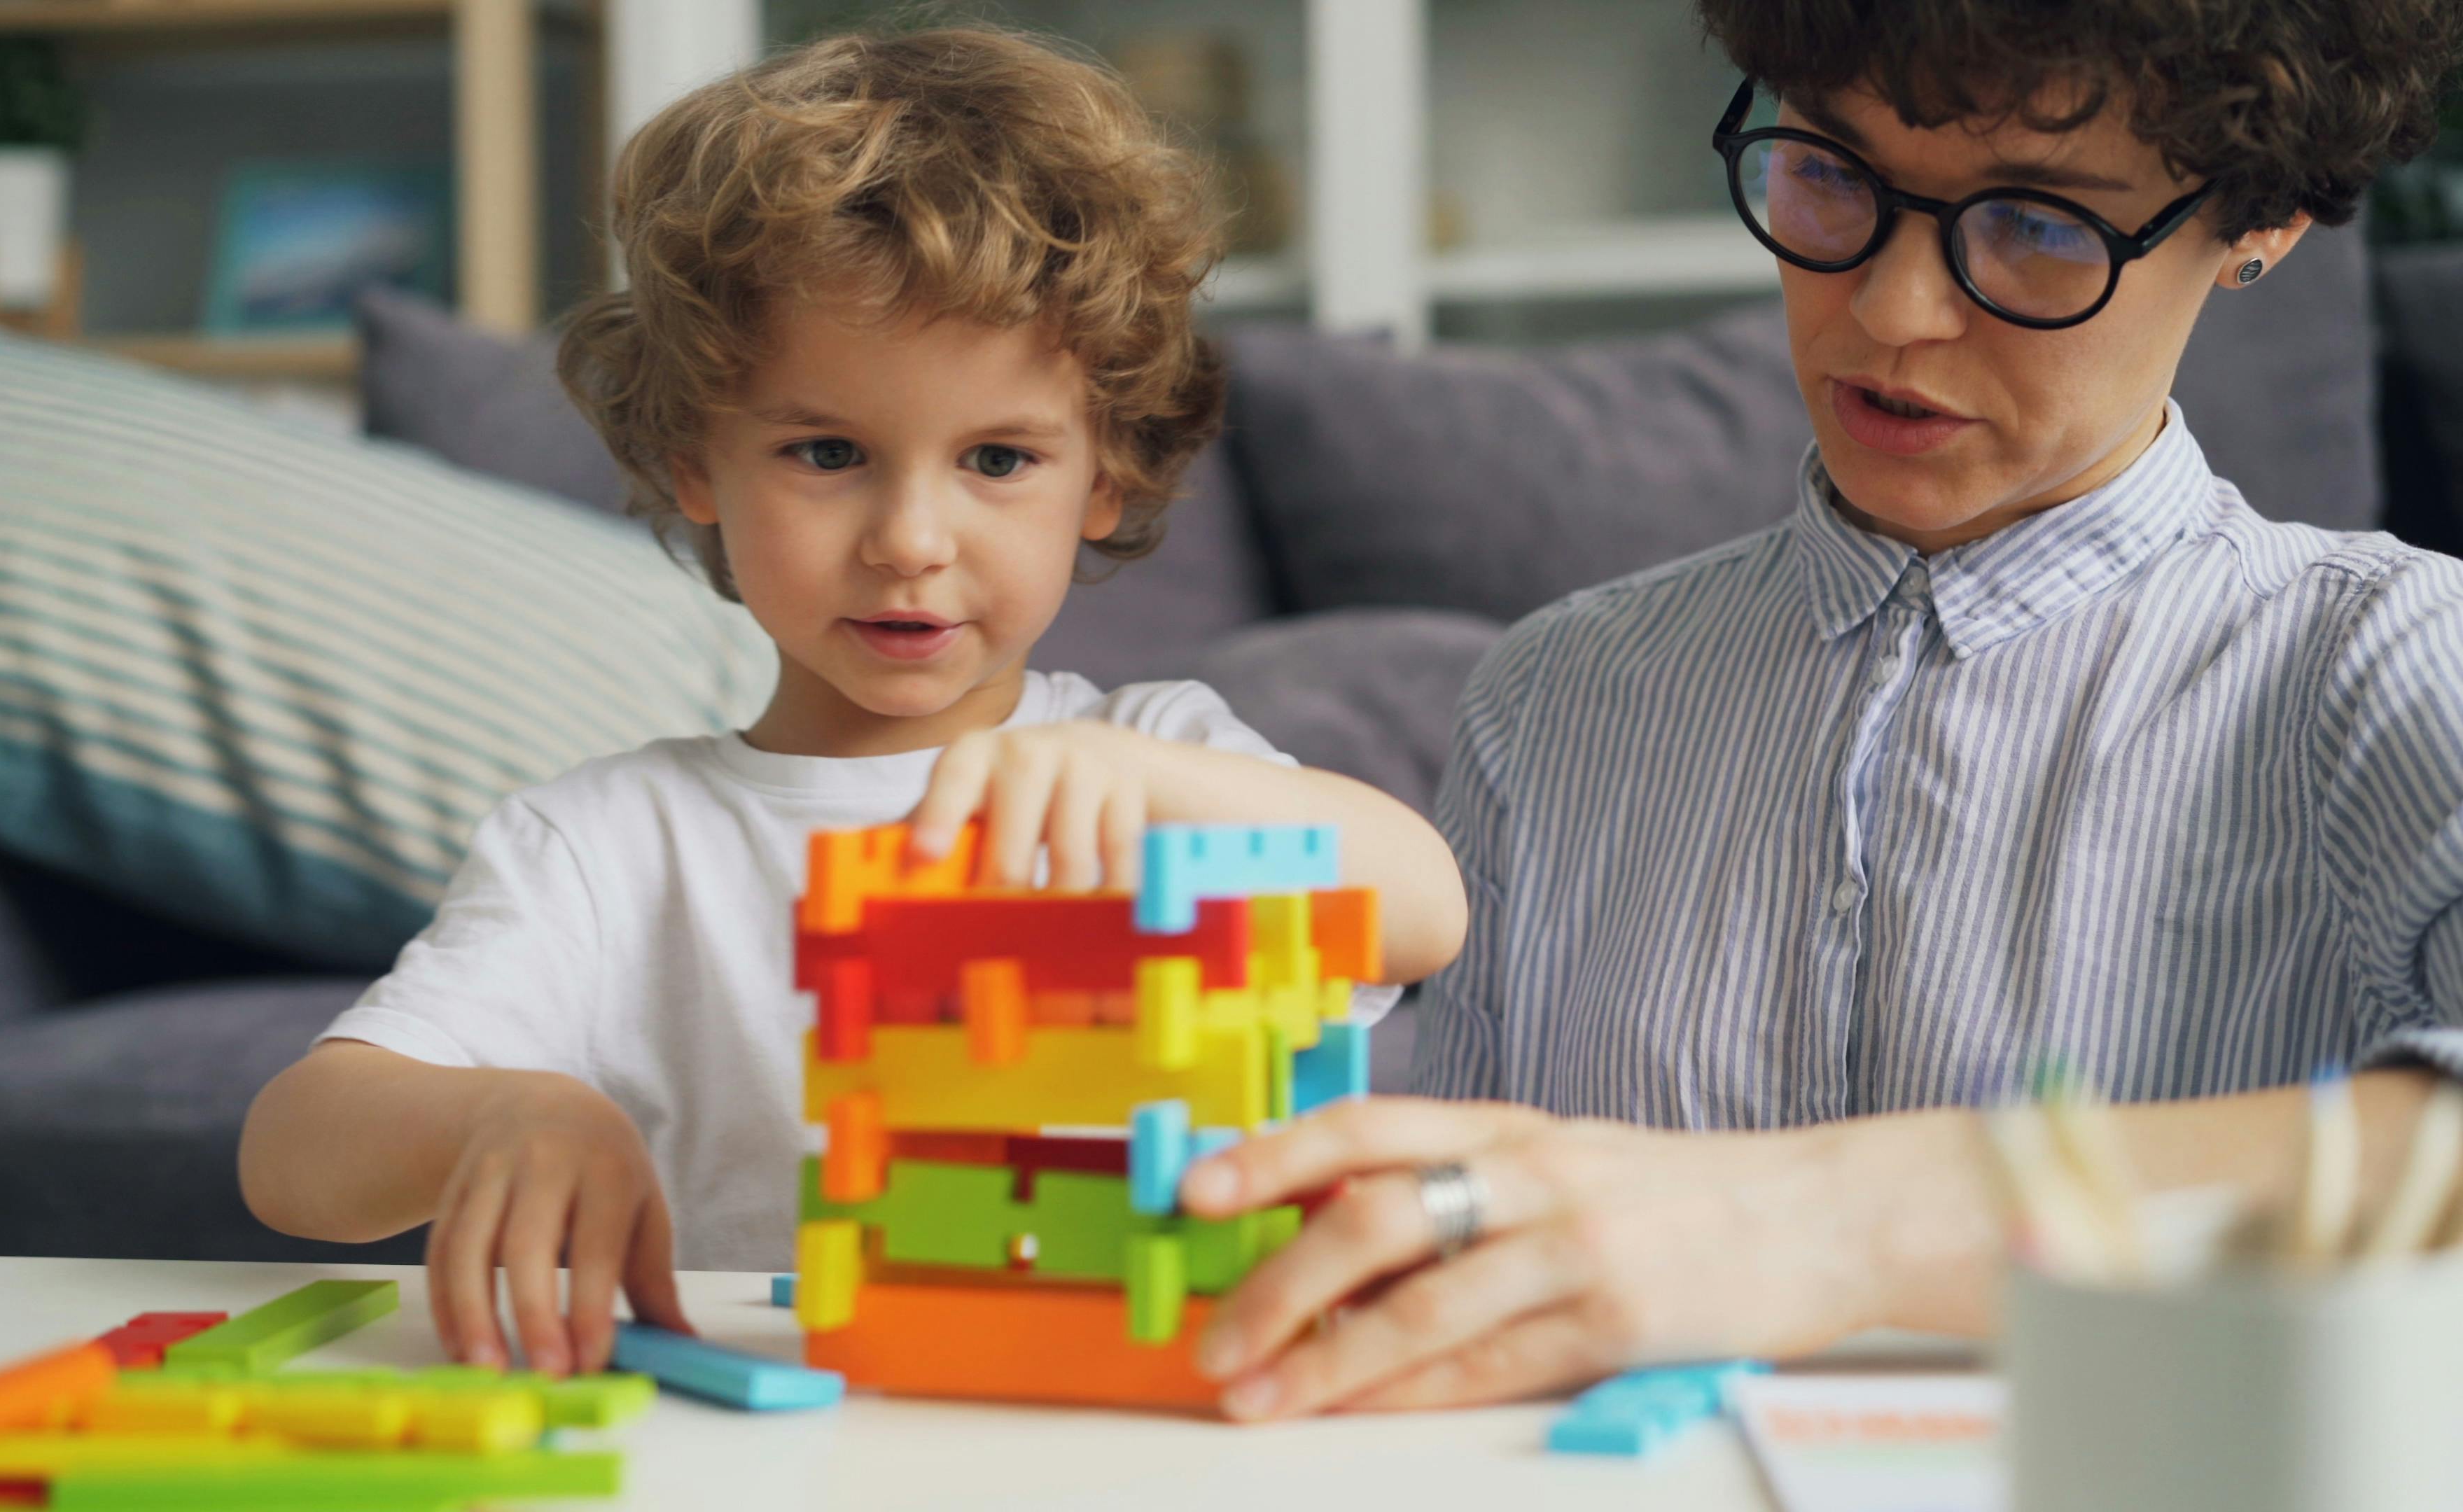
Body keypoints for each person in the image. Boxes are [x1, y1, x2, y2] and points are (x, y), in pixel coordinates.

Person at [1180, 0, 2463, 1422]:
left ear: (2260, 222)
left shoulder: (2389, 663)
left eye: (2039, 225)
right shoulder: (1552, 701)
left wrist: (1836, 1219)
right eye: (1831, 177)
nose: (1894, 311)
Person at [237, 26, 1467, 1380]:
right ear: (694, 457)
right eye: (827, 453)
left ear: (1103, 479)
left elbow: (1425, 908)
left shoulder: (1155, 761)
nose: (910, 539)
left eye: (998, 458)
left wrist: (1182, 798)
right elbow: (294, 1152)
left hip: (1119, 1421)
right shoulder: (607, 845)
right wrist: (497, 1118)